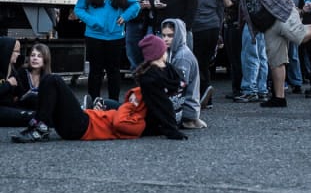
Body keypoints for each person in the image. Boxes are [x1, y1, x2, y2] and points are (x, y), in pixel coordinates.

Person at [10, 35, 187, 143]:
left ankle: (40, 127)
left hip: (83, 127)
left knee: (52, 80)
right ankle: (39, 125)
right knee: (50, 83)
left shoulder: (141, 118)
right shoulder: (149, 88)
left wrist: (171, 129)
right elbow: (161, 91)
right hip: (86, 120)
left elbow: (123, 122)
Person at [74, 0, 140, 101]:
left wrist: (125, 17)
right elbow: (79, 9)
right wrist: (93, 21)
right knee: (95, 71)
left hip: (115, 36)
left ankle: (114, 103)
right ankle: (93, 103)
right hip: (94, 36)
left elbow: (136, 5)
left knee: (113, 72)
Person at [188, 0, 223, 109]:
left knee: (197, 63)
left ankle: (201, 95)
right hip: (213, 27)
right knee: (205, 63)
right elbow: (220, 8)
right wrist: (219, 30)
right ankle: (207, 97)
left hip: (198, 27)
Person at [160, 19, 206, 129]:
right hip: (184, 107)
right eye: (164, 35)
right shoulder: (172, 51)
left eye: (170, 36)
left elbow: (178, 89)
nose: (166, 39)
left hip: (184, 109)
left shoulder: (182, 57)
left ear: (178, 35)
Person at [278, 0, 304, 95]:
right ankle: (281, 82)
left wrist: (300, 11)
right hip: (279, 20)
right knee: (279, 54)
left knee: (293, 54)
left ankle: (297, 82)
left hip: (294, 21)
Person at [221, 0, 244, 99]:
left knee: (237, 59)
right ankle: (236, 87)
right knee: (232, 59)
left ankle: (239, 88)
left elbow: (228, 3)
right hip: (229, 26)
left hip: (236, 26)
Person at [0, 37, 33, 127]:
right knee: (29, 117)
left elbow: (21, 93)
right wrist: (8, 84)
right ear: (6, 51)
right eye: (16, 51)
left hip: (9, 106)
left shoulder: (12, 70)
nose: (18, 54)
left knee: (36, 111)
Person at [15, 43, 51, 110]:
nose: (35, 58)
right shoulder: (22, 72)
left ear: (45, 60)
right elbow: (17, 97)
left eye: (39, 56)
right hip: (22, 110)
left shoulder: (48, 78)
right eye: (32, 55)